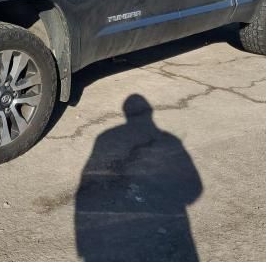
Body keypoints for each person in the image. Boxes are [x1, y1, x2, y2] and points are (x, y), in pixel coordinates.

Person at [75, 94, 203, 261]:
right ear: (150, 112)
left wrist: (82, 245)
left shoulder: (106, 137)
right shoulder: (170, 141)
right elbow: (195, 188)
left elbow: (86, 185)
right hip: (162, 230)